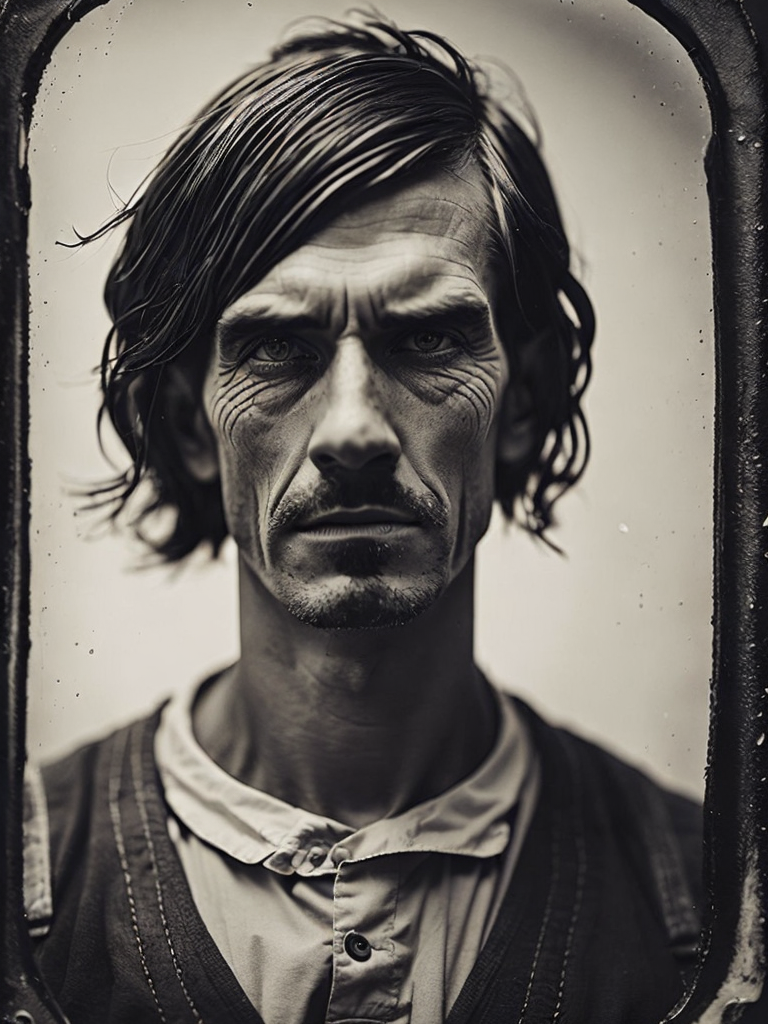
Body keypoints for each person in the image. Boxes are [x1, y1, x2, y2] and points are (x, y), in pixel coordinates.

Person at [23, 14, 716, 1024]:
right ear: (186, 422)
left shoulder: (708, 897)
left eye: (428, 335)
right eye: (275, 347)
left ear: (519, 405)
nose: (353, 428)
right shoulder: (30, 879)